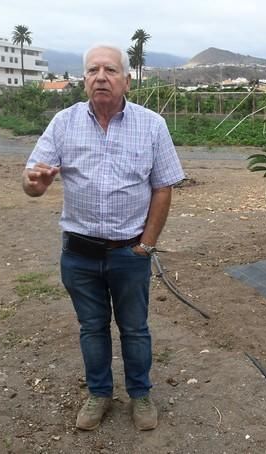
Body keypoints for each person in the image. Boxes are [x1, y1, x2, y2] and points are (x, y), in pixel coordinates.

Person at [22, 43, 184, 431]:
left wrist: (146, 244)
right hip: (78, 254)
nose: (100, 77)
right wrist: (36, 184)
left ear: (126, 80)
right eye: (93, 70)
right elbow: (32, 183)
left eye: (110, 70)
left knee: (134, 328)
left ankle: (141, 395)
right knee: (92, 327)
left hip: (129, 252)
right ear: (84, 81)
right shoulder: (63, 123)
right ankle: (99, 394)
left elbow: (163, 187)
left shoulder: (151, 125)